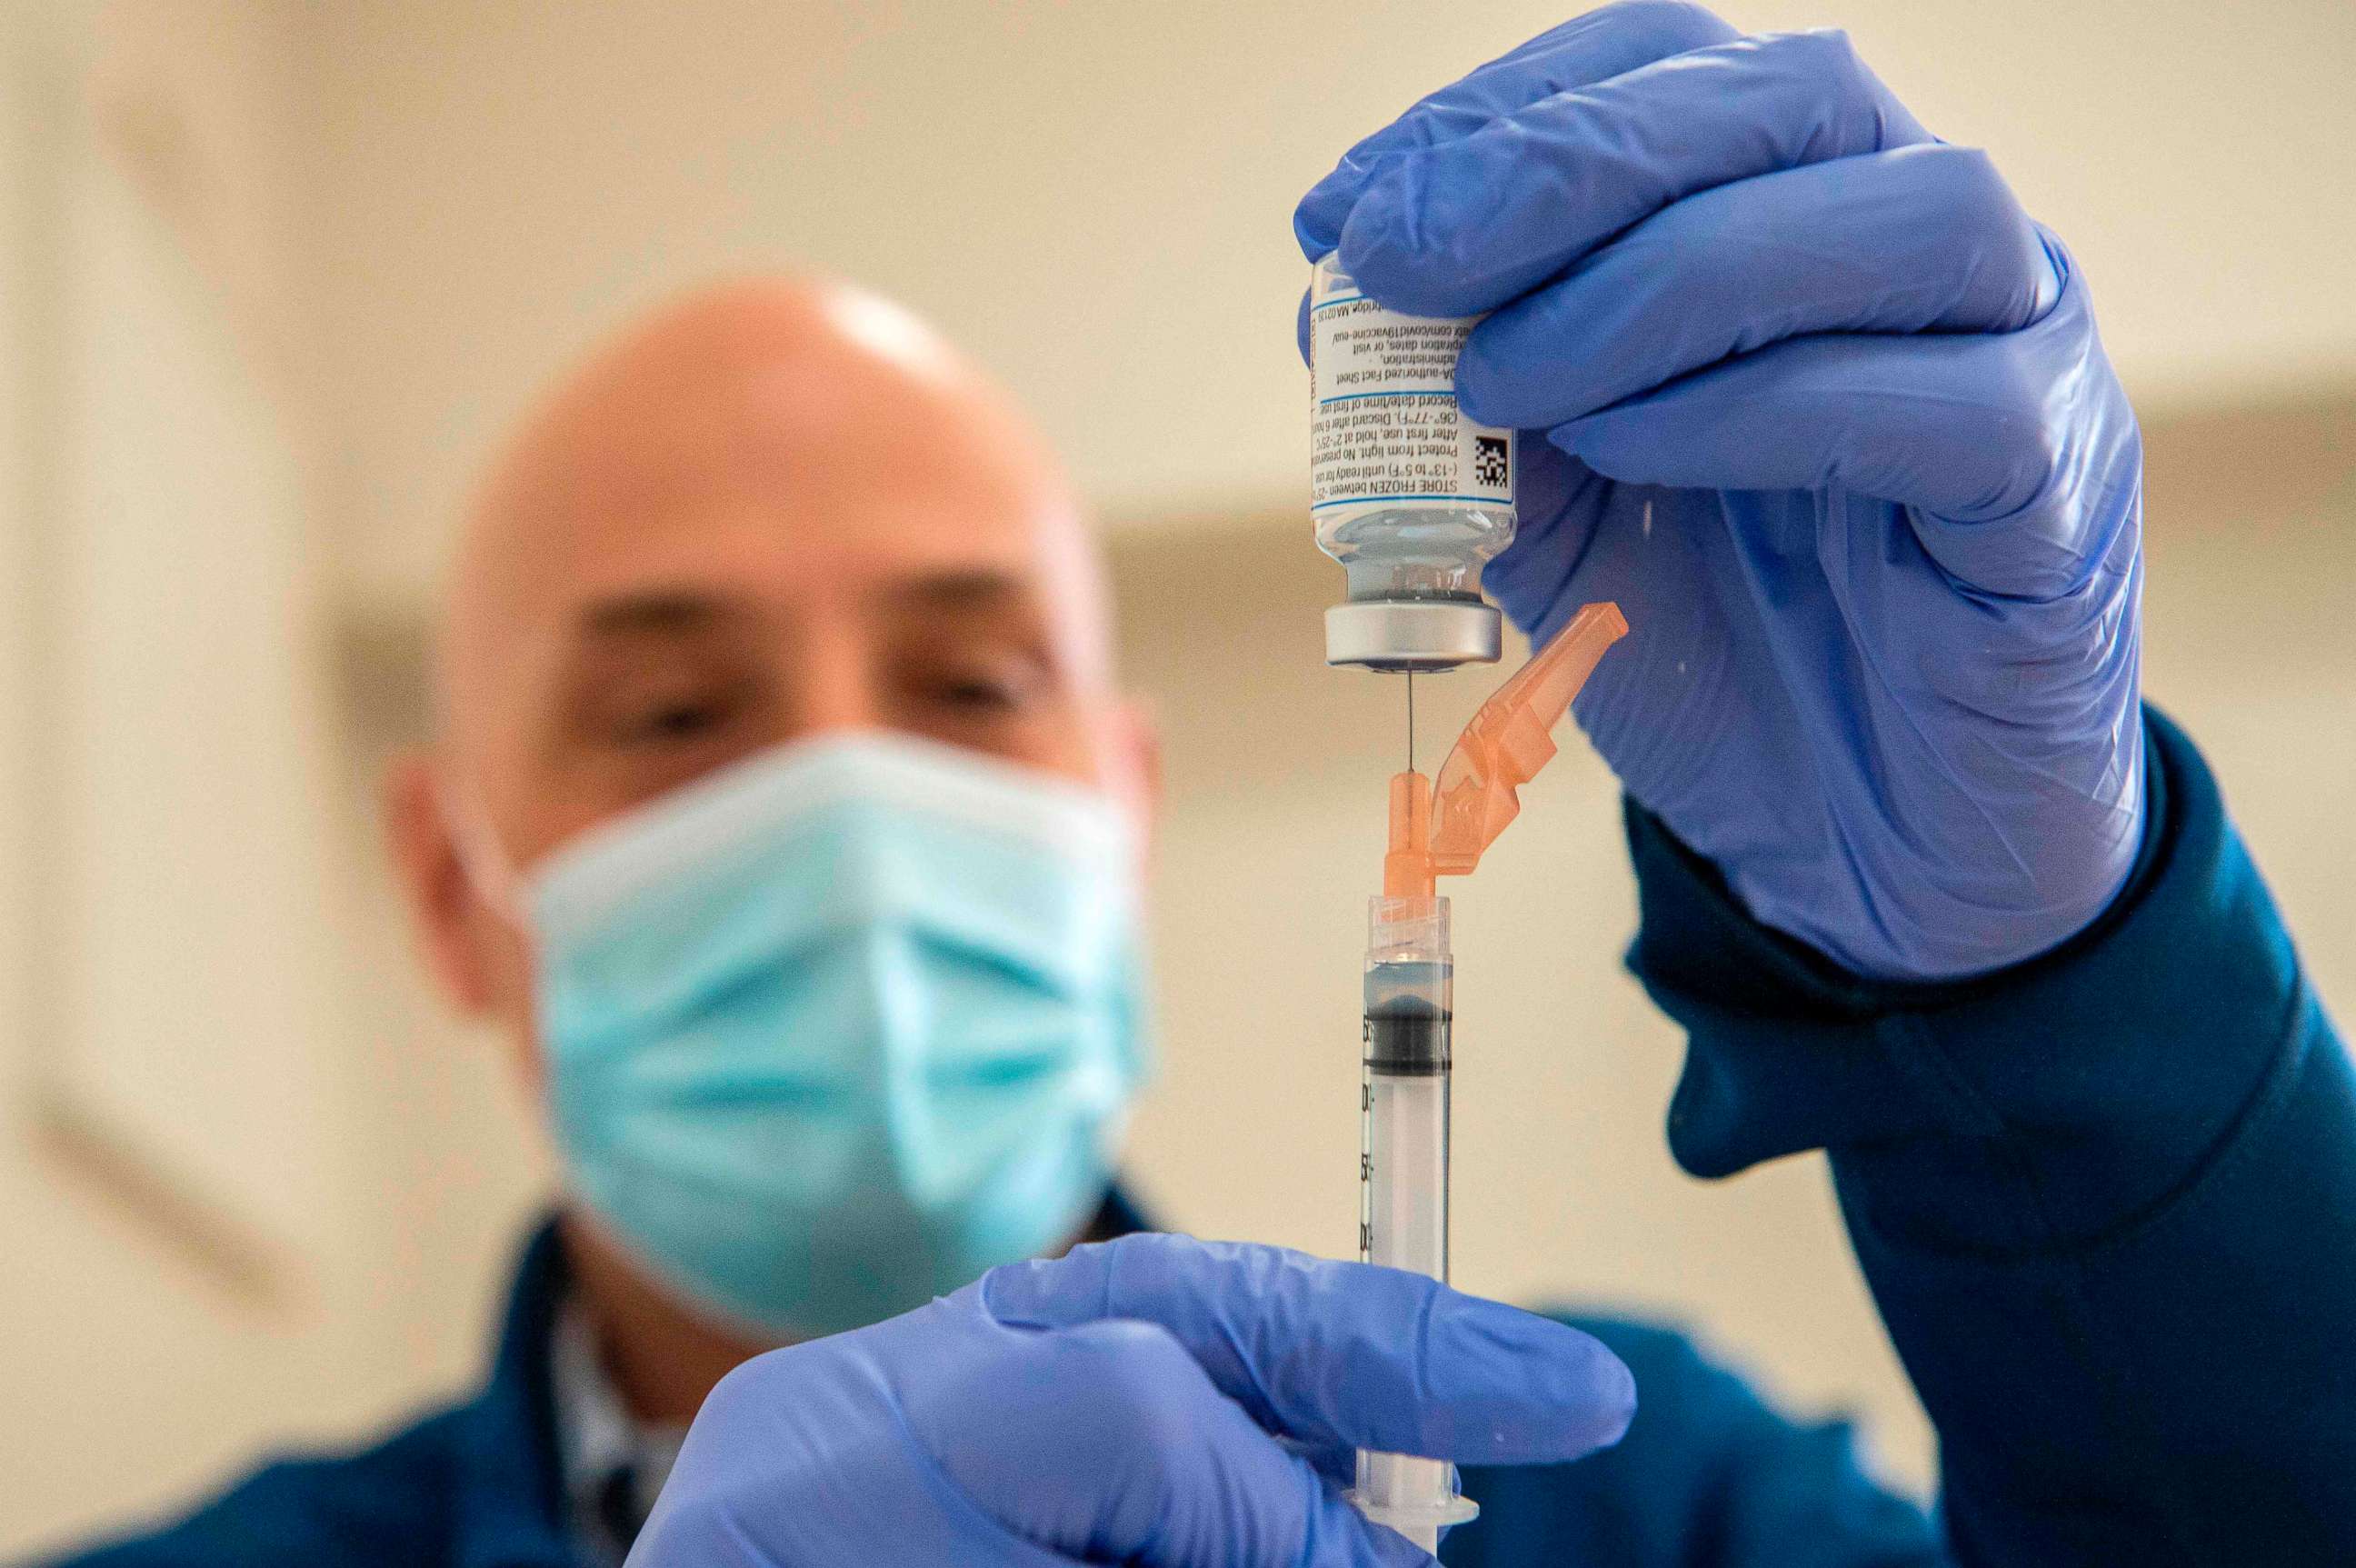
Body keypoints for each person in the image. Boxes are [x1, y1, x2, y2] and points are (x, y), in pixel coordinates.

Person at [41, 5, 2351, 1565]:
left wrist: (2075, 1015)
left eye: (969, 683)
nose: (853, 801)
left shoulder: (1597, 1487)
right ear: (451, 890)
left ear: (1119, 810)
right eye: (672, 717)